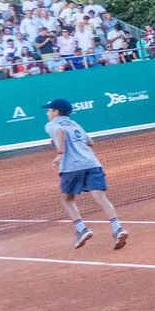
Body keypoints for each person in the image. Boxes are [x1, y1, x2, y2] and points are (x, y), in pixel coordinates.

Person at [44, 98, 129, 250]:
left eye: (49, 110)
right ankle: (117, 229)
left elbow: (60, 132)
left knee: (67, 199)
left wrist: (60, 152)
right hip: (92, 163)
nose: (47, 113)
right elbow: (90, 143)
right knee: (100, 197)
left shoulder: (52, 124)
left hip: (71, 167)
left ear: (56, 111)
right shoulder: (75, 124)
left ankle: (81, 229)